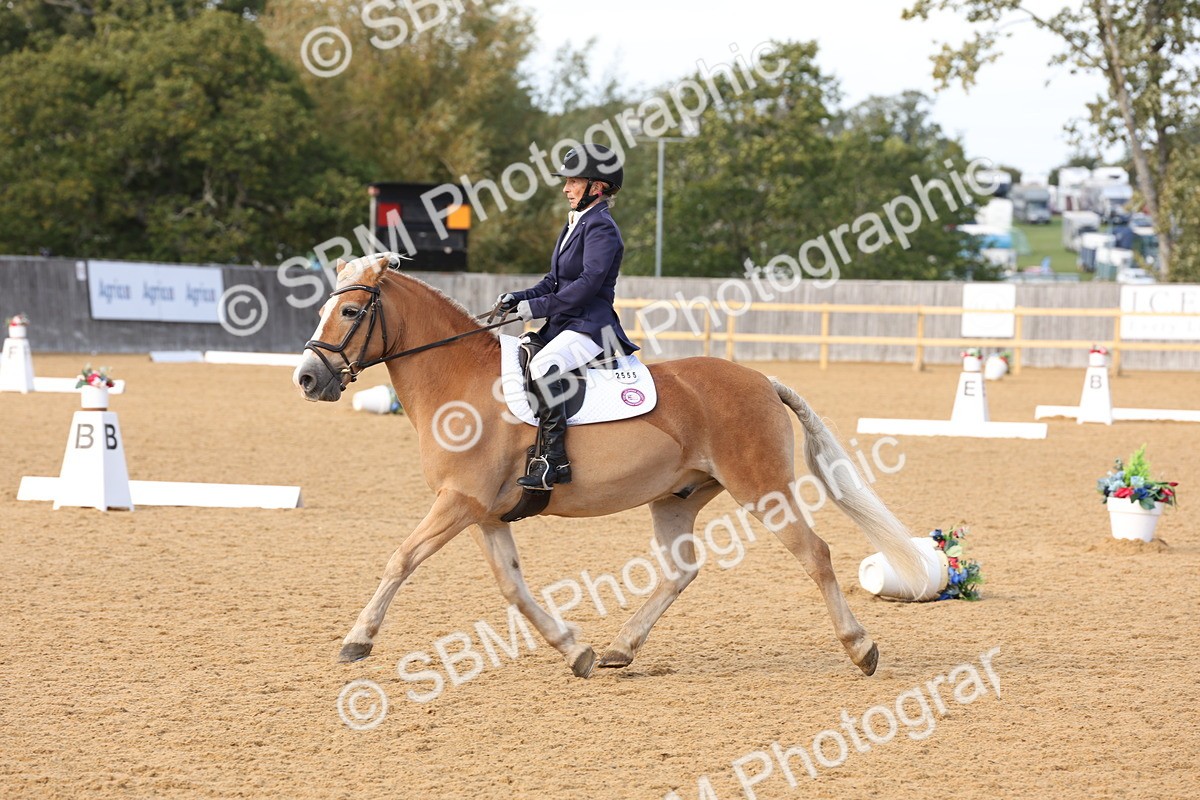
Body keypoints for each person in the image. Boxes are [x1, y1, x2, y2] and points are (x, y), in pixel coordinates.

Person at [497, 143, 640, 490]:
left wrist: (538, 308)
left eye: (574, 181)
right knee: (522, 351)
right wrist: (520, 297)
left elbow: (589, 284)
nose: (566, 188)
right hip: (565, 323)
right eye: (567, 181)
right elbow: (553, 281)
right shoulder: (575, 223)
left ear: (597, 186)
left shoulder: (601, 227)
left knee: (545, 365)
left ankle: (554, 461)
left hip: (591, 326)